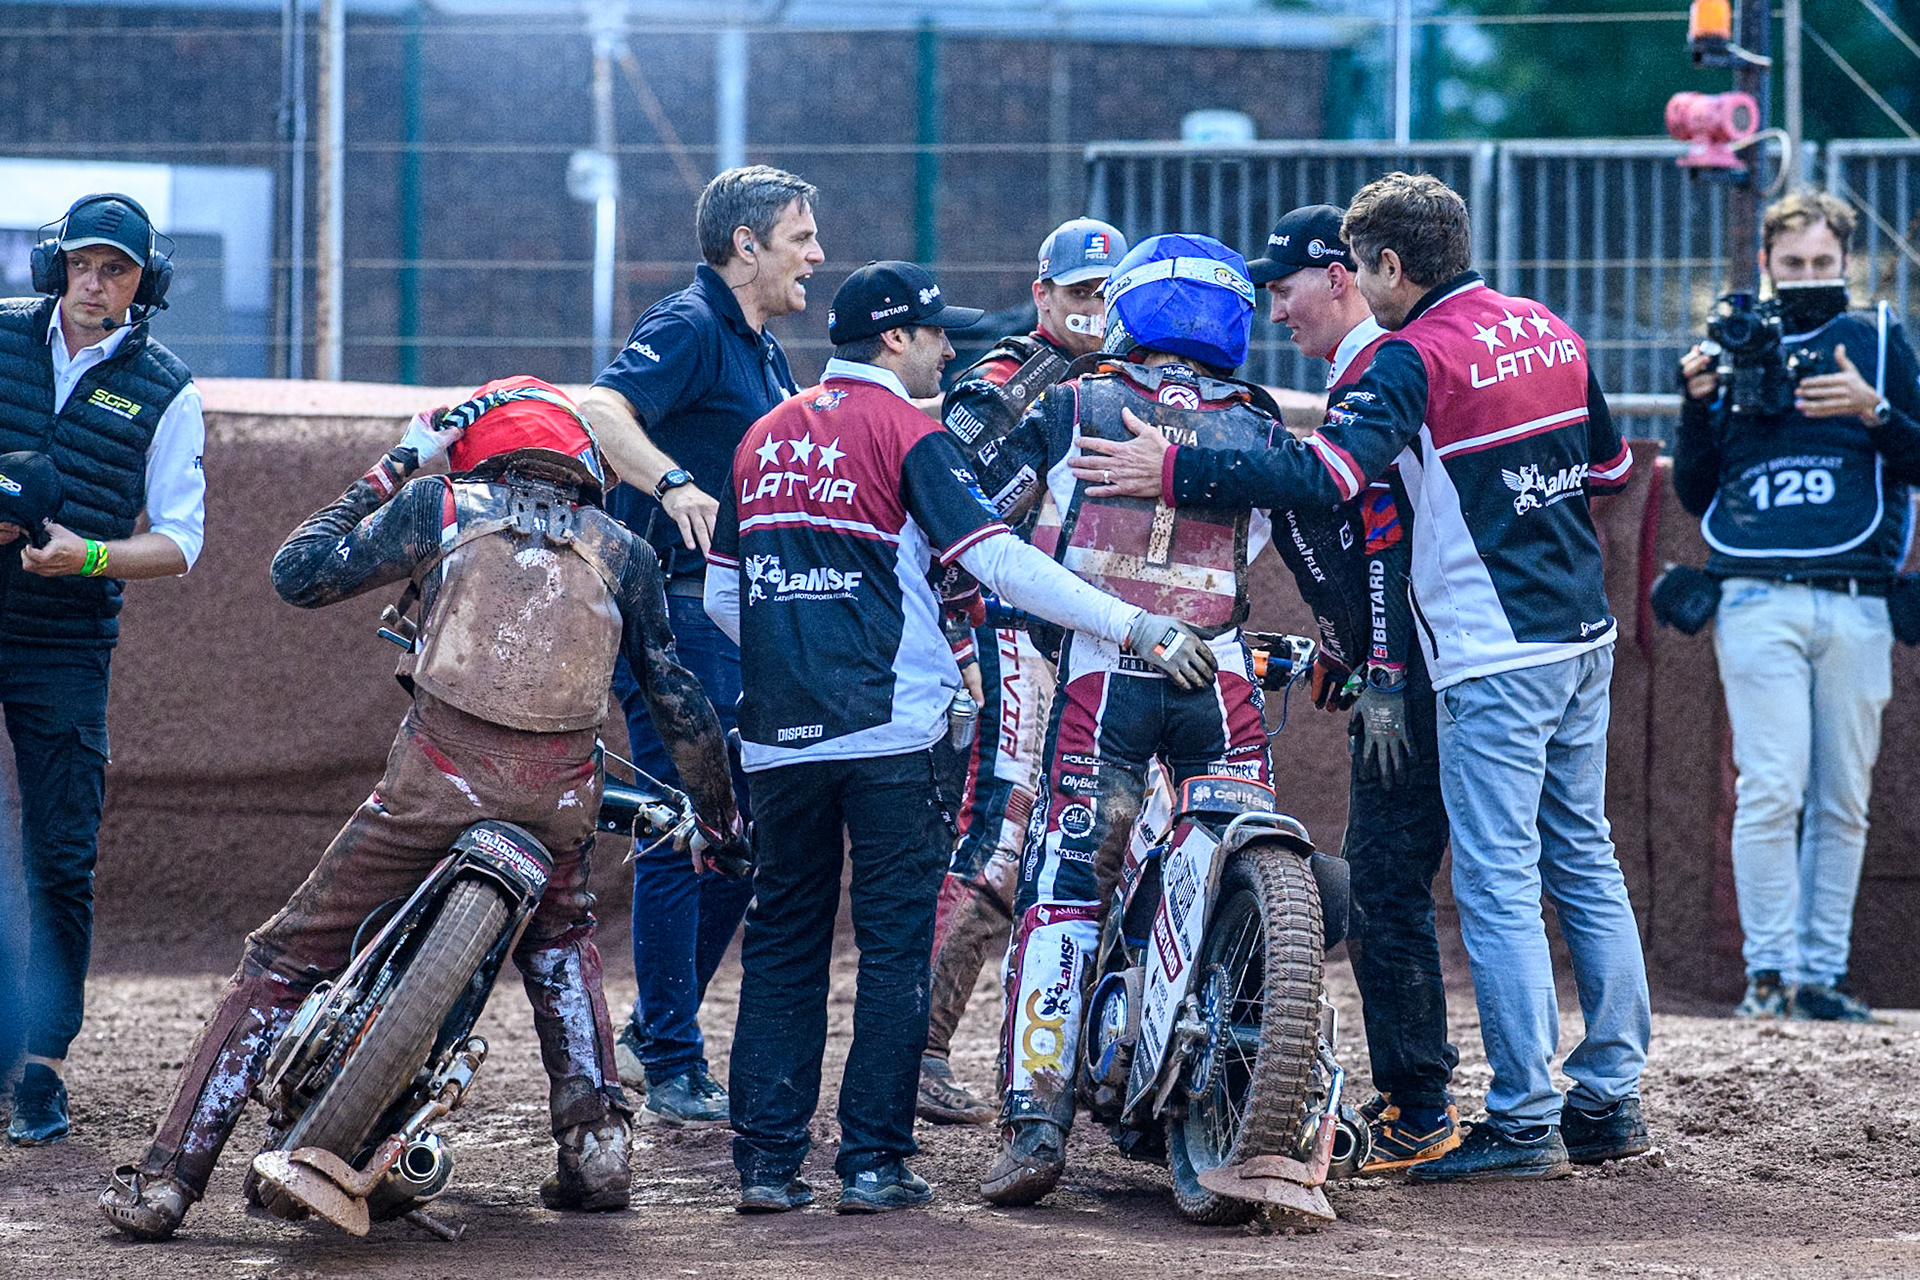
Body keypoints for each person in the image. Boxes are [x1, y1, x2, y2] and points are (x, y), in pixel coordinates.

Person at [1074, 173, 1651, 1182]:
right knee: (1585, 858)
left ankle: (1521, 1119)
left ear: (1383, 266)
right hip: (1581, 634)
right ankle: (1608, 1096)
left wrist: (1174, 469)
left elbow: (1327, 478)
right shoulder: (1545, 324)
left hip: (1489, 651)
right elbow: (1608, 473)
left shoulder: (1406, 356)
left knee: (1499, 879)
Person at [97, 378, 746, 1240]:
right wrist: (723, 823)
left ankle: (164, 1183)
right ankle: (596, 1151)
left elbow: (297, 573)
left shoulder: (437, 505)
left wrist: (395, 463)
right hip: (557, 807)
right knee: (561, 939)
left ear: (478, 450)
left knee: (286, 958)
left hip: (429, 791)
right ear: (586, 464)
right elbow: (680, 702)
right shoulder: (622, 547)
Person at [706, 261, 1207, 1215]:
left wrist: (801, 647)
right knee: (894, 948)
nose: (950, 351)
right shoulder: (909, 432)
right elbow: (1000, 562)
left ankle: (767, 1167)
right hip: (891, 733)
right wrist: (1134, 625)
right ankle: (872, 1166)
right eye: (937, 335)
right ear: (894, 339)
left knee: (781, 947)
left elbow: (729, 597)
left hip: (777, 739)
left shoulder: (761, 438)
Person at [976, 233, 1370, 1206]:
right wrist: (1352, 648)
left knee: (1067, 882)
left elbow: (983, 530)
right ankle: (1288, 1088)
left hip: (1105, 673)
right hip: (1221, 675)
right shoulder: (1262, 423)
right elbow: (1320, 552)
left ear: (1128, 310)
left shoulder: (1070, 404)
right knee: (1252, 847)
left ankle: (1036, 1121)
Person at [577, 165, 821, 1126]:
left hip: (738, 615)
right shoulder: (687, 323)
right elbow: (597, 410)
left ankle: (651, 1035)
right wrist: (674, 481)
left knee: (745, 835)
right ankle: (669, 1054)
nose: (817, 255)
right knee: (685, 821)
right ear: (746, 244)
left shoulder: (763, 350)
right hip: (673, 612)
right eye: (801, 236)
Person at [1673, 190, 1920, 1023]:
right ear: (1766, 268)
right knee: (1772, 786)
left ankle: (1822, 974)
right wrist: (1693, 402)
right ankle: (1768, 974)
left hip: (1858, 595)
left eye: (1822, 263)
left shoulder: (1880, 341)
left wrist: (1873, 410)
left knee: (1843, 794)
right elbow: (1697, 488)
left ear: (1847, 262)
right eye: (1793, 264)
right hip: (1754, 593)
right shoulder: (1737, 344)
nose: (1809, 276)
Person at [1253, 203, 1461, 1172]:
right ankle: (1450, 1100)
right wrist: (1349, 649)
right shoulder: (1369, 368)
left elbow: (1377, 536)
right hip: (1417, 664)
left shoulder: (1385, 367)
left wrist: (1374, 662)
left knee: (1385, 881)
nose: (1273, 307)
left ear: (1342, 275)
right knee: (1416, 878)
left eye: (1284, 284)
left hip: (1420, 674)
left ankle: (1421, 1106)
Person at [0, 193, 206, 1147]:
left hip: (64, 644)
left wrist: (85, 557)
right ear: (55, 267)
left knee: (60, 857)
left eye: (117, 269)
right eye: (82, 264)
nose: (96, 283)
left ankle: (41, 1064)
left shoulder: (168, 389)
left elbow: (179, 543)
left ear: (144, 284)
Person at [917, 217, 1128, 1125]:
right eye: (1078, 293)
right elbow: (953, 519)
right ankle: (916, 1051)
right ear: (1042, 296)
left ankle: (1102, 1054)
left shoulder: (1137, 384)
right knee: (999, 832)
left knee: (1115, 836)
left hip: (1106, 636)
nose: (1094, 311)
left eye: (1108, 294)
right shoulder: (1006, 379)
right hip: (1004, 628)